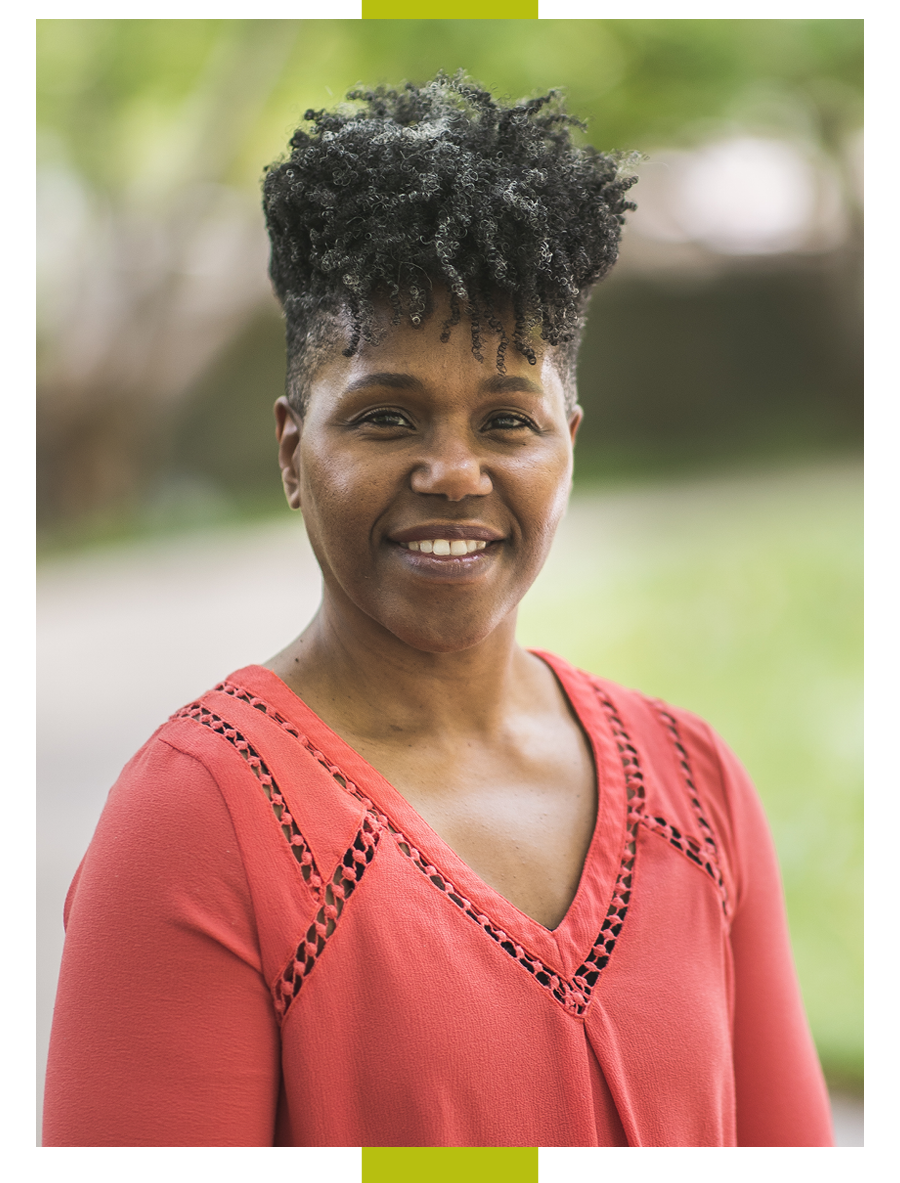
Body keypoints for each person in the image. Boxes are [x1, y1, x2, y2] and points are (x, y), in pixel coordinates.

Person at [42, 73, 834, 1148]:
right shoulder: (197, 827)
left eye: (508, 421)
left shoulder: (697, 793)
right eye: (385, 418)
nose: (453, 472)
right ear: (292, 451)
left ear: (569, 447)